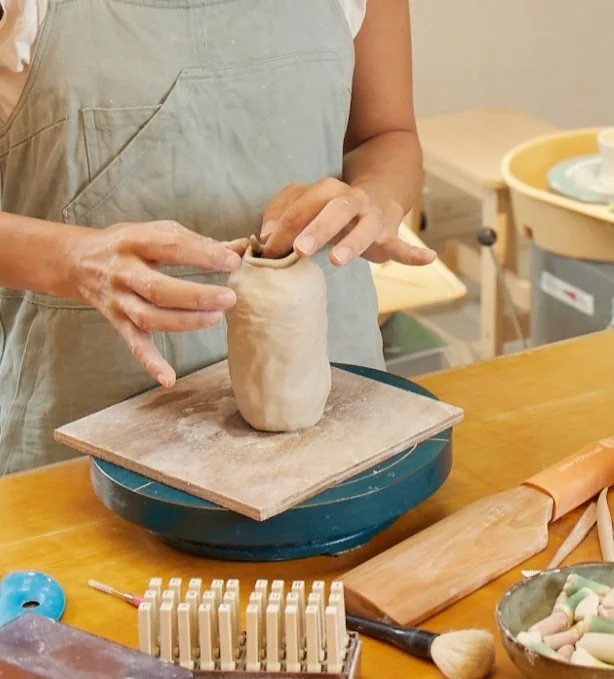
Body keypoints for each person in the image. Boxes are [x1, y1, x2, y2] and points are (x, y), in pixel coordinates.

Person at [0, 0, 435, 475]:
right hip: (85, 424)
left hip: (336, 407)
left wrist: (373, 197)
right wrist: (73, 259)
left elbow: (386, 134)